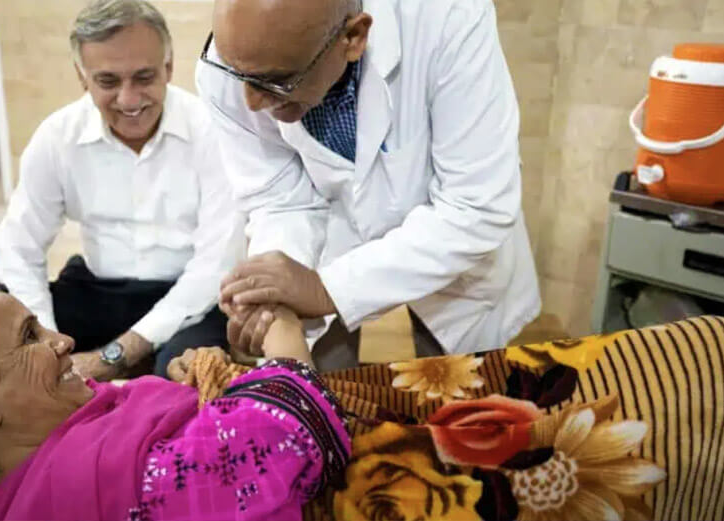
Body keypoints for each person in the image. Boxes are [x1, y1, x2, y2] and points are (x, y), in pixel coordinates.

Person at [196, 0, 541, 370]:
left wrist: (327, 289)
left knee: (460, 402)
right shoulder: (233, 66)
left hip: (456, 260)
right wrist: (274, 296)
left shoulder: (448, 15)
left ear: (354, 36)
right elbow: (280, 201)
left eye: (279, 81)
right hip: (336, 243)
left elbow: (475, 206)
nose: (250, 102)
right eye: (240, 77)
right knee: (333, 391)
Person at [0, 278, 349, 521]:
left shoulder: (64, 452)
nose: (65, 340)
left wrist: (189, 387)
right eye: (30, 337)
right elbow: (282, 432)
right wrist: (284, 328)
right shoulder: (90, 484)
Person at [0, 0, 244, 381]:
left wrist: (113, 357)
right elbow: (18, 250)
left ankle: (145, 363)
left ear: (169, 68)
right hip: (96, 293)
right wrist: (46, 345)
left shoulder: (212, 132)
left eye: (144, 77)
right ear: (83, 77)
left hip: (192, 299)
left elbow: (214, 266)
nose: (128, 100)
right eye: (108, 82)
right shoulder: (57, 137)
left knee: (182, 381)